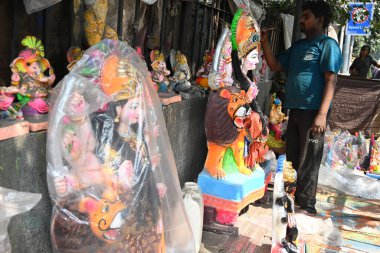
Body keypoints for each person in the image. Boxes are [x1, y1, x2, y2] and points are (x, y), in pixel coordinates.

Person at [261, 0, 343, 215]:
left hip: (314, 112)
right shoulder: (298, 46)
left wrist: (322, 115)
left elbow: (331, 80)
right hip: (295, 110)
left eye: (307, 16)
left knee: (309, 160)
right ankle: (291, 200)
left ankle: (307, 205)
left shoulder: (327, 45)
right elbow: (276, 65)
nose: (303, 21)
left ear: (320, 20)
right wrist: (265, 42)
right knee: (293, 158)